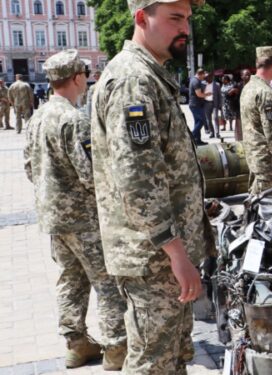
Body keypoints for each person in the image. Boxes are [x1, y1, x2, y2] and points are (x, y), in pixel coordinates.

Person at [91, 0, 215, 373]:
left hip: (163, 256)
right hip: (154, 260)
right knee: (152, 364)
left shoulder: (151, 75)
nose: (186, 29)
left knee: (172, 358)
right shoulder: (134, 81)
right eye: (175, 18)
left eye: (188, 19)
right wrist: (177, 254)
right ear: (142, 18)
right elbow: (138, 180)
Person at [23, 49, 127, 371]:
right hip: (84, 218)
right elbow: (92, 173)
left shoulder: (38, 117)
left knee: (71, 280)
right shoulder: (74, 119)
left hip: (54, 218)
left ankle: (76, 345)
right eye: (85, 74)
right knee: (108, 280)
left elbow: (29, 167)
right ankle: (116, 349)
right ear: (78, 78)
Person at [241, 46, 272, 194]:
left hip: (253, 154)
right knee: (267, 206)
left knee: (256, 200)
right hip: (267, 160)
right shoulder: (265, 92)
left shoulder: (248, 87)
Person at [189, 68, 211, 144]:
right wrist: (207, 94)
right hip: (195, 105)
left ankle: (197, 140)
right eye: (203, 76)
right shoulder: (195, 81)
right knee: (201, 121)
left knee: (197, 122)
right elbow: (199, 94)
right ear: (199, 74)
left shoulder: (196, 80)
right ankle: (191, 135)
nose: (203, 78)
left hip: (196, 104)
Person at [235, 68, 252, 141]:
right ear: (242, 76)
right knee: (239, 131)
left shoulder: (253, 85)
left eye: (249, 75)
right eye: (246, 75)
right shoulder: (238, 86)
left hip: (251, 113)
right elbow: (231, 99)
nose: (248, 76)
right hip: (240, 112)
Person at [203, 73, 216, 137]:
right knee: (208, 119)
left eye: (208, 77)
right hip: (207, 103)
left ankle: (217, 132)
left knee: (216, 118)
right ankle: (212, 132)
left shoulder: (216, 85)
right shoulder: (203, 85)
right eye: (205, 77)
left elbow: (219, 95)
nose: (207, 78)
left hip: (214, 103)